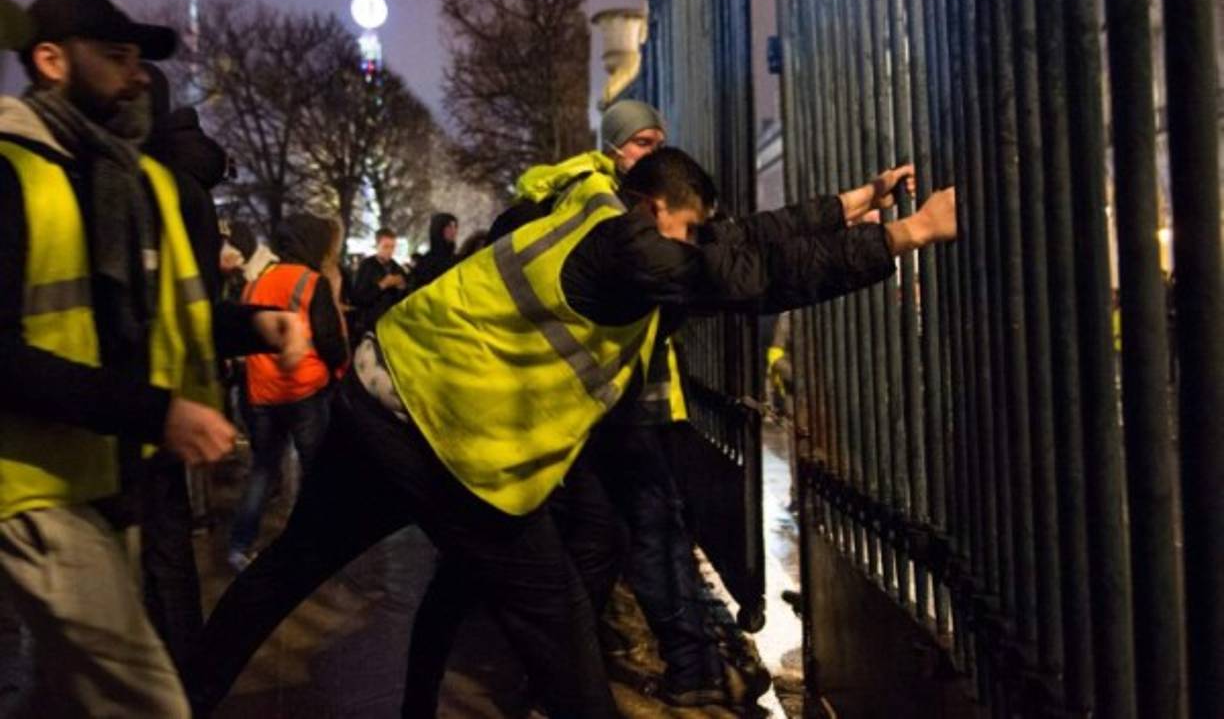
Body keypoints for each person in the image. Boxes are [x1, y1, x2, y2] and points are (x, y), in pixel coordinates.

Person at [189, 147, 956, 718]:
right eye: (688, 229)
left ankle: (185, 697)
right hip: (456, 450)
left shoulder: (592, 206)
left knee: (290, 570)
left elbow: (735, 243)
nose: (694, 244)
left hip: (382, 395)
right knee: (561, 636)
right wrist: (909, 234)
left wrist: (848, 204)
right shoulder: (629, 253)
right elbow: (746, 278)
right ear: (654, 209)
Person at [0, 0, 296, 717]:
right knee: (146, 700)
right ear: (50, 61)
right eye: (117, 57)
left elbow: (164, 319)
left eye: (139, 61)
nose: (138, 78)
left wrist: (255, 327)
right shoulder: (11, 173)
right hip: (31, 488)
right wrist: (159, 413)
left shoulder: (127, 180)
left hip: (106, 478)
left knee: (69, 696)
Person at [228, 213, 349, 571]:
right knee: (316, 470)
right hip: (304, 390)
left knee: (263, 470)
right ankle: (316, 544)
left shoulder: (255, 283)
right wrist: (339, 370)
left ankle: (239, 544)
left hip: (262, 394)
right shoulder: (312, 282)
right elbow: (328, 338)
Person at [350, 227, 408, 337]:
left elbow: (403, 300)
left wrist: (402, 288)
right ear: (377, 246)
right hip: (370, 325)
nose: (389, 251)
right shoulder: (367, 266)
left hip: (391, 324)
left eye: (392, 247)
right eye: (386, 247)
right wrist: (382, 285)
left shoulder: (396, 268)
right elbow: (358, 298)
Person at [407, 212, 459, 290]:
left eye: (455, 226)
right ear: (439, 229)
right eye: (449, 227)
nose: (454, 231)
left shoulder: (457, 259)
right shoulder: (426, 263)